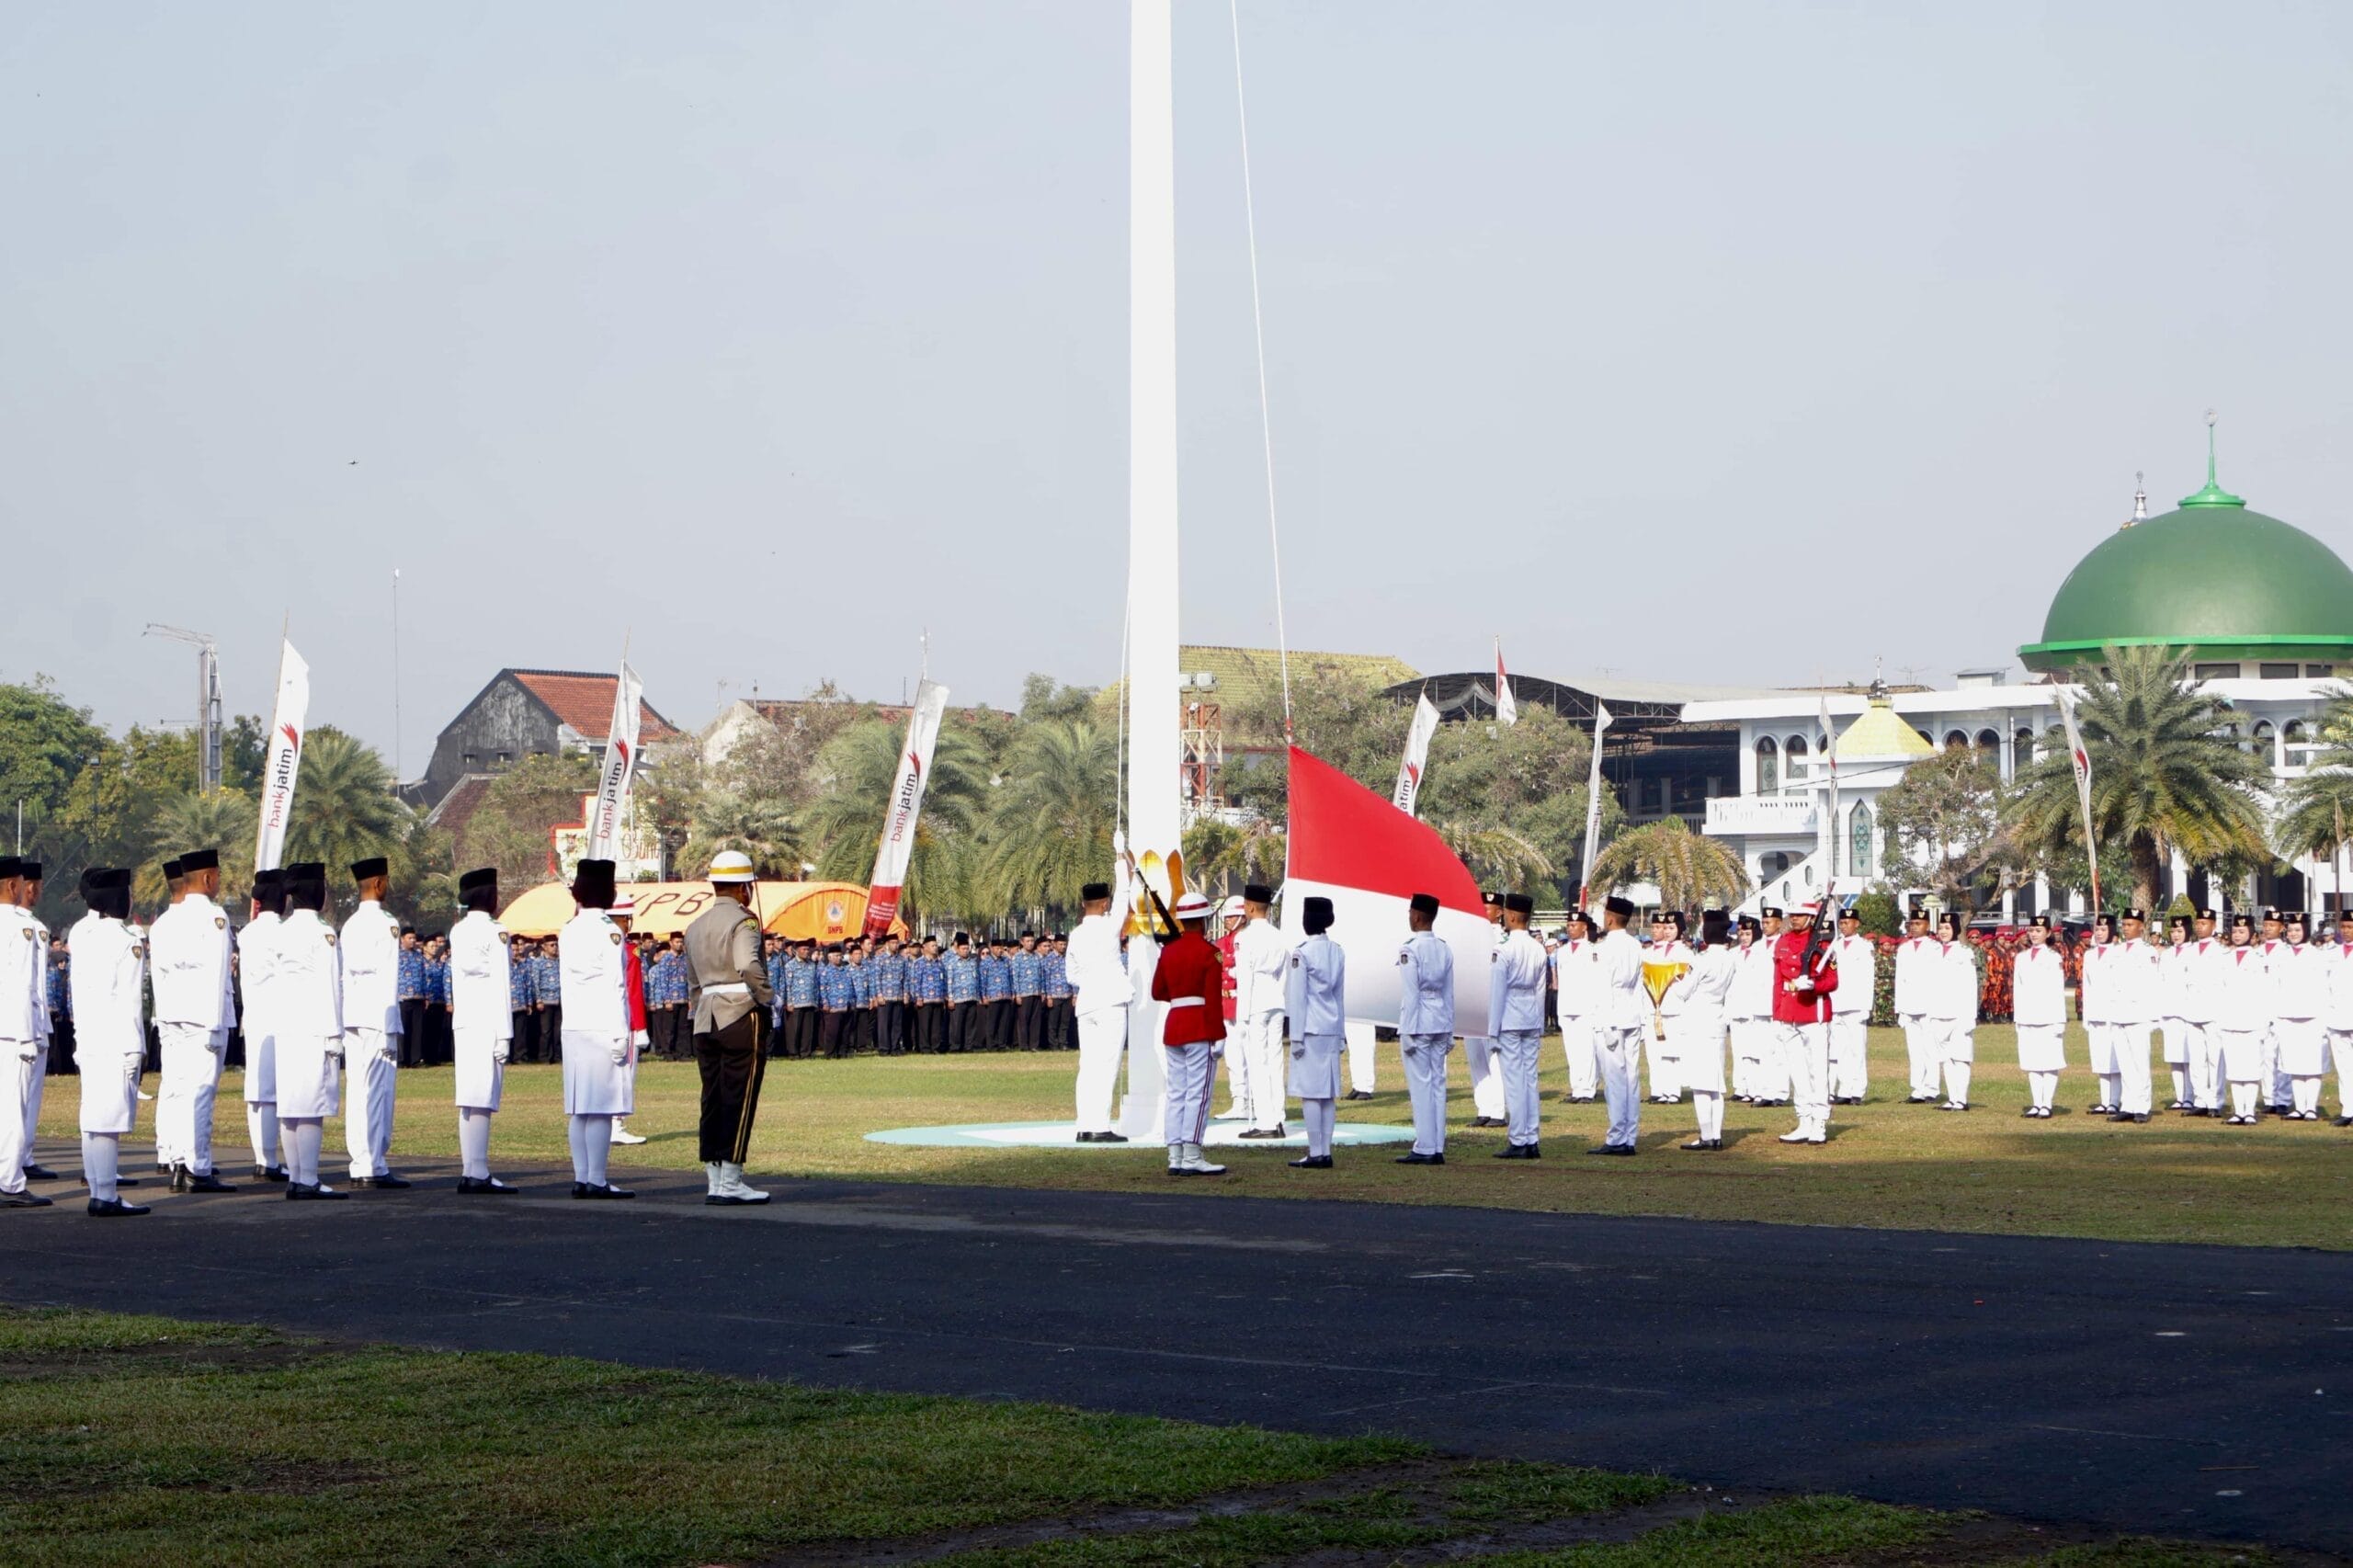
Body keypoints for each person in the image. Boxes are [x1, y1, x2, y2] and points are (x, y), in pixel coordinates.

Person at [685, 851, 775, 1204]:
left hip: (706, 1016)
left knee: (713, 1097)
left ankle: (715, 1179)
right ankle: (733, 1179)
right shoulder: (744, 922)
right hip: (740, 1011)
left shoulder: (695, 926)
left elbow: (693, 983)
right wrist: (766, 995)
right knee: (740, 1095)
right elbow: (747, 964)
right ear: (742, 888)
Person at [149, 846, 240, 1194]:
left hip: (173, 1016)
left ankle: (177, 1159)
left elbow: (159, 975)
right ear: (207, 878)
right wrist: (216, 1024)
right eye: (216, 877)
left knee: (177, 1089)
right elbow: (218, 973)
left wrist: (164, 1017)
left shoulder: (165, 920)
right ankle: (197, 1168)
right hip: (204, 1017)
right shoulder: (213, 917)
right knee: (201, 1093)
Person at [68, 869, 147, 1215]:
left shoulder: (83, 934)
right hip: (117, 1038)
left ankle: (100, 1189)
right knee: (109, 1121)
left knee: (94, 1119)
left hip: (89, 1036)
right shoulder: (125, 939)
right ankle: (106, 1194)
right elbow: (130, 999)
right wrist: (136, 1046)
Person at [558, 858, 634, 1199]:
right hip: (603, 1024)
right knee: (602, 1106)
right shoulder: (609, 930)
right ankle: (597, 1179)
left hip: (574, 1025)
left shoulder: (568, 929)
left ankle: (581, 1176)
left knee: (580, 1106)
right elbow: (616, 985)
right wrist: (622, 1031)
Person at [273, 863, 347, 1199]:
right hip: (315, 1027)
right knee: (313, 1106)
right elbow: (330, 985)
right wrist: (334, 1033)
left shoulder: (282, 930)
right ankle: (309, 1178)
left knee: (290, 1106)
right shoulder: (323, 932)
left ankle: (296, 1176)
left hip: (286, 1026)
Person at [338, 857, 409, 1189]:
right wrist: (389, 1023)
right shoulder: (386, 923)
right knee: (379, 1091)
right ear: (379, 884)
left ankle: (359, 1160)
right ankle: (374, 1163)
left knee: (357, 1089)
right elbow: (388, 978)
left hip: (354, 1015)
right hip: (377, 1016)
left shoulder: (350, 924)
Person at [447, 867, 517, 1193]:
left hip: (465, 1020)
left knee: (469, 1098)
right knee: (483, 1098)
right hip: (489, 1020)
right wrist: (505, 1033)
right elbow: (501, 985)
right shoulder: (495, 931)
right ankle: (478, 1171)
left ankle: (471, 1167)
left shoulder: (458, 931)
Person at [1150, 890, 1227, 1176]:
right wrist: (1219, 1034)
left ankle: (1175, 1155)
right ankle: (1192, 1154)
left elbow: (1158, 991)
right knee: (1199, 1092)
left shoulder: (1168, 951)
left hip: (1175, 1025)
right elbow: (1213, 998)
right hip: (1200, 1026)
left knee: (1177, 1093)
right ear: (1203, 921)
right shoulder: (1211, 953)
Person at [0, 856, 53, 1206]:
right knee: (13, 1108)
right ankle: (10, 1181)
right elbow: (24, 985)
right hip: (13, 1029)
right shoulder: (21, 926)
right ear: (12, 886)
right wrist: (28, 1034)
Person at [1281, 896, 1347, 1169]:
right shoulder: (1337, 951)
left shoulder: (1303, 953)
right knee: (1327, 1093)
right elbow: (1340, 995)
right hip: (1331, 1026)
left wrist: (1295, 1035)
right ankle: (1325, 1151)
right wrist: (1341, 1033)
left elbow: (1297, 998)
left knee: (1311, 1093)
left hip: (1309, 1028)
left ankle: (1316, 1151)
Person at [1066, 882, 1130, 1142]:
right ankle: (1100, 1126)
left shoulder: (1076, 934)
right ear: (1105, 904)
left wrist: (1090, 979)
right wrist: (1119, 859)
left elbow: (1072, 975)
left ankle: (1084, 1124)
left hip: (1088, 1002)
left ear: (1083, 904)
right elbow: (1125, 896)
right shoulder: (1109, 925)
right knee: (1106, 1064)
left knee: (1088, 1065)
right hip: (1110, 1001)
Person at [1394, 892, 1455, 1165]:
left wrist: (1406, 1030)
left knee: (1421, 1086)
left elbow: (1411, 995)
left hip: (1419, 1023)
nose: (1409, 917)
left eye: (1410, 913)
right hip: (1440, 1019)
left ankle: (1425, 1146)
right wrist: (1450, 1029)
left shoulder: (1411, 949)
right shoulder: (1444, 948)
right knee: (1438, 1085)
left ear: (1418, 916)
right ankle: (1437, 1145)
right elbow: (1450, 992)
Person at [1488, 892, 1549, 1159]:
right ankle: (1531, 1137)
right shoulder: (1537, 948)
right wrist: (1539, 1024)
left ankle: (1518, 1139)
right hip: (1530, 1017)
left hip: (1510, 1018)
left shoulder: (1504, 949)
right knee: (1530, 1080)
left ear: (1512, 916)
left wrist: (1491, 1030)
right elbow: (1540, 990)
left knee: (1514, 1082)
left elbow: (1497, 992)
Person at [237, 869, 289, 1182]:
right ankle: (268, 1160)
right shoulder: (282, 932)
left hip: (255, 1014)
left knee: (258, 1091)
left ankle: (263, 1157)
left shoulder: (249, 933)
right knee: (271, 1092)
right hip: (278, 1015)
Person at [1772, 901, 1838, 1144]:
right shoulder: (1783, 941)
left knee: (1817, 1070)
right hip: (1790, 1012)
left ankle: (1819, 1121)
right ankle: (1804, 1119)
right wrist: (1777, 1013)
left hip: (1813, 1011)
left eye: (1801, 915)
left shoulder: (1823, 944)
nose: (1795, 918)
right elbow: (1778, 981)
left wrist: (1814, 985)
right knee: (1797, 1071)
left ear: (1812, 918)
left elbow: (1832, 981)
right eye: (1793, 914)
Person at [10, 859, 59, 1186]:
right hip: (23, 1024)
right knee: (21, 1102)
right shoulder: (28, 928)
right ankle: (15, 1167)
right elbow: (31, 985)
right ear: (25, 887)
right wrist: (36, 1028)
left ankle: (19, 1159)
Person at [1229, 883, 1289, 1140]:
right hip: (1276, 998)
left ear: (1251, 907)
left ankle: (1265, 1120)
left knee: (1258, 1061)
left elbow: (1244, 976)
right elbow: (1285, 972)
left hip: (1256, 1001)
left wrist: (1242, 1015)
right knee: (1275, 1060)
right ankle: (1278, 1117)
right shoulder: (1279, 935)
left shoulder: (1245, 937)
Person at [1589, 895, 1646, 1155]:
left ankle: (1616, 1137)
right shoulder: (1636, 946)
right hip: (1631, 1015)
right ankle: (1629, 1136)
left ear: (1611, 918)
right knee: (1631, 1077)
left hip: (1610, 1016)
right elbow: (1638, 986)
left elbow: (1602, 989)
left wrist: (1605, 1023)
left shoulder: (1603, 948)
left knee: (1614, 1079)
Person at [1677, 910, 1738, 1151]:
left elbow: (1684, 992)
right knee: (1716, 1083)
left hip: (1698, 1020)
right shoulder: (1730, 959)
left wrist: (1675, 981)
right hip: (1717, 1018)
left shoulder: (1701, 960)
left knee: (1701, 1084)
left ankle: (1706, 1135)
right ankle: (1717, 1134)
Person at [2268, 911, 2327, 1119]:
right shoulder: (2281, 954)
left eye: (2298, 930)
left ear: (2306, 931)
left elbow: (2323, 988)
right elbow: (2274, 986)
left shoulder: (2317, 955)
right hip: (2286, 1016)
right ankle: (2299, 1107)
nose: (2293, 933)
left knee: (2311, 1065)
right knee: (2293, 1064)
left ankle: (2310, 1107)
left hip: (2311, 1016)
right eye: (2291, 930)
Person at [2214, 913, 2269, 1124]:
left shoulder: (2259, 959)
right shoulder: (2224, 958)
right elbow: (2219, 990)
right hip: (2230, 1020)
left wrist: (2264, 1022)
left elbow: (2265, 993)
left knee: (2252, 1067)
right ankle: (2239, 1110)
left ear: (2252, 935)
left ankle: (2250, 1111)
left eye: (2242, 932)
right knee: (2235, 1068)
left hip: (2252, 1020)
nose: (2237, 935)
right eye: (2235, 931)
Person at [2107, 909, 2161, 1124]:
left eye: (2130, 924)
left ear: (2141, 927)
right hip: (2119, 1013)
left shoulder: (2148, 952)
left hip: (2139, 1015)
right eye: (2124, 924)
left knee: (2140, 1063)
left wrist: (2153, 1017)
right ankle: (2128, 1105)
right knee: (2125, 1064)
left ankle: (2143, 1106)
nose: (2126, 928)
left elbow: (2153, 985)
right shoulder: (2116, 951)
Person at [607, 895, 652, 1146]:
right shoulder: (628, 951)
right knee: (625, 1074)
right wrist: (641, 1025)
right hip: (627, 1021)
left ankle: (609, 1123)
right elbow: (633, 991)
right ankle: (617, 1124)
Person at [2012, 915, 2067, 1117]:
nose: (2034, 934)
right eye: (2032, 931)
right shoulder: (2021, 957)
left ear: (2048, 933)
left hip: (2048, 1017)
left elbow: (2056, 990)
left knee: (2049, 1061)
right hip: (2027, 1016)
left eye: (2038, 931)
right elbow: (2017, 989)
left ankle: (2047, 1104)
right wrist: (2017, 1017)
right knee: (2032, 1063)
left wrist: (2059, 1021)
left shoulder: (2054, 958)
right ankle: (2036, 1103)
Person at [1462, 892, 1507, 1129]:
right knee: (1475, 1059)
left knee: (1494, 1060)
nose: (1483, 911)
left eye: (1488, 908)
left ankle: (1498, 1112)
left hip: (1492, 1006)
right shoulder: (1472, 936)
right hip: (1473, 1004)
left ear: (1499, 912)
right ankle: (1484, 1108)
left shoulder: (1503, 940)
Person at [2177, 907, 2226, 1116]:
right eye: (2197, 923)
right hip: (2192, 1010)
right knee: (2196, 1059)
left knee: (2215, 1059)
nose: (2199, 927)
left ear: (2213, 926)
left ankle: (2215, 1101)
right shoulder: (2189, 951)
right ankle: (2200, 1099)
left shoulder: (2222, 952)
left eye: (2204, 923)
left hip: (2214, 1011)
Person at [1931, 911, 1979, 1112]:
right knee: (1946, 1059)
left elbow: (1970, 986)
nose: (1943, 931)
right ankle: (1952, 1097)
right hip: (1938, 1013)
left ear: (1956, 930)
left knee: (1961, 1057)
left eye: (1948, 928)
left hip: (1959, 1013)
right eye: (1941, 927)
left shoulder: (1964, 953)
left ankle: (1962, 1099)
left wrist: (1970, 1017)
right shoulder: (1933, 953)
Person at [1552, 910, 1602, 1103]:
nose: (1570, 928)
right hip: (1566, 1006)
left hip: (1585, 1006)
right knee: (1572, 1051)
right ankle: (1576, 1088)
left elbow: (1596, 981)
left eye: (1574, 925)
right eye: (1569, 925)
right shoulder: (1562, 951)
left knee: (1586, 1050)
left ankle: (1587, 1090)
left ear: (1583, 927)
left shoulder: (1592, 951)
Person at [1892, 908, 1940, 1103]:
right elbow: (1900, 979)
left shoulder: (1935, 948)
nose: (1915, 927)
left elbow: (1938, 980)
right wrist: (1900, 1009)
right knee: (1914, 1050)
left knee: (1931, 1049)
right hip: (1909, 1005)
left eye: (1919, 923)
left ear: (1928, 926)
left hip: (1928, 1005)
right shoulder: (1904, 949)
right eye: (1912, 924)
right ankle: (1917, 1088)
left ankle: (1931, 1089)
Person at [1643, 910, 1691, 1105]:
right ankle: (1661, 1089)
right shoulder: (1651, 952)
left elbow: (1684, 980)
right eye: (1665, 927)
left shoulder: (1684, 952)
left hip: (1674, 1006)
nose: (1667, 931)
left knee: (1673, 1051)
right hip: (1654, 1007)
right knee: (1657, 1052)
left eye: (1671, 927)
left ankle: (1673, 1091)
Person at [1829, 907, 1874, 1105]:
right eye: (1841, 922)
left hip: (1856, 1004)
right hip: (1837, 1003)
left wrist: (1866, 1006)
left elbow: (1868, 977)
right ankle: (1845, 1089)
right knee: (1841, 1050)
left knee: (1857, 1049)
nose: (1844, 925)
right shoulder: (1835, 946)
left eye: (1848, 922)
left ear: (1857, 924)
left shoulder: (1864, 946)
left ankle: (1858, 1090)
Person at [1726, 915, 1773, 1105]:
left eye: (1747, 933)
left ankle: (1758, 1088)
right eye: (1740, 933)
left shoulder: (1762, 952)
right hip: (1737, 1007)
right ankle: (1741, 1087)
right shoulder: (1734, 953)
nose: (1743, 937)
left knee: (1756, 1052)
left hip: (1755, 1007)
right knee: (1740, 1052)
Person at [2077, 915, 2120, 1115]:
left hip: (2113, 1013)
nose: (2099, 933)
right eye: (2097, 930)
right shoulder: (2090, 955)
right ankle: (2104, 1100)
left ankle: (2116, 1100)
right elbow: (2087, 985)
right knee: (2101, 1060)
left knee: (2115, 1061)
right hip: (2095, 1012)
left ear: (2111, 932)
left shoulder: (2119, 954)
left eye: (2103, 930)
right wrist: (2086, 1015)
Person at [2159, 914, 2195, 1110]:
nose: (2176, 935)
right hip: (2170, 1011)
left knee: (2188, 1058)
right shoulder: (2166, 954)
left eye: (2180, 931)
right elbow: (2160, 983)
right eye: (2173, 931)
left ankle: (2190, 1095)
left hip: (2187, 1012)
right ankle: (2180, 1096)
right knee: (2174, 1058)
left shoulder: (2193, 952)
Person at [648, 932, 689, 1062]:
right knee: (669, 1028)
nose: (679, 944)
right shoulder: (666, 959)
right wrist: (666, 1000)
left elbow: (688, 979)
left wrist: (689, 998)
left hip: (683, 997)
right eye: (677, 942)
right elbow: (663, 980)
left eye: (681, 942)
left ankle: (682, 1053)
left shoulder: (684, 958)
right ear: (671, 942)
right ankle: (667, 1052)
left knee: (683, 1028)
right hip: (670, 998)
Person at [395, 927, 428, 1068]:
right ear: (402, 939)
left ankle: (415, 1059)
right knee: (403, 1029)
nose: (413, 941)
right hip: (402, 998)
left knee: (417, 1030)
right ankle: (402, 1059)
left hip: (418, 997)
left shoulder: (419, 956)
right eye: (410, 938)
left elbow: (424, 976)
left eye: (414, 938)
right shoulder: (396, 956)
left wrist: (426, 996)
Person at [910, 937, 948, 1054]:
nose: (935, 947)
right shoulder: (919, 963)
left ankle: (935, 1047)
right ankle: (925, 1047)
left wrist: (945, 996)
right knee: (924, 1025)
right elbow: (916, 981)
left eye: (936, 945)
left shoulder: (940, 963)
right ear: (925, 947)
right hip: (925, 999)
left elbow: (944, 980)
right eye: (932, 945)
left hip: (938, 999)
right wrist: (918, 997)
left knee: (936, 1026)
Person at [873, 935, 909, 1056]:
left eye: (897, 943)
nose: (895, 945)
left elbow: (906, 978)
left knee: (896, 1024)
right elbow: (876, 978)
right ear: (887, 944)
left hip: (898, 995)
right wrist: (879, 994)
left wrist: (905, 994)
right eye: (893, 943)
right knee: (884, 1024)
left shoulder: (902, 960)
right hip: (885, 996)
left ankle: (895, 1047)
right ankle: (884, 1048)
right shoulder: (880, 959)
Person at [944, 934, 979, 1051]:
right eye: (963, 949)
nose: (965, 951)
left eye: (967, 948)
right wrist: (950, 998)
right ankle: (955, 1046)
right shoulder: (952, 962)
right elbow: (949, 981)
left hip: (972, 997)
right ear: (958, 949)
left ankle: (968, 1046)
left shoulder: (973, 962)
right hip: (958, 998)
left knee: (971, 1024)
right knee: (956, 1025)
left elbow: (976, 979)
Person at [1043, 934, 1074, 1051]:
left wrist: (1074, 994)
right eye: (1060, 944)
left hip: (1067, 993)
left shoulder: (1069, 958)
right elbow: (1046, 978)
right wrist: (1049, 996)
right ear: (1054, 944)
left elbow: (1073, 975)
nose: (1063, 947)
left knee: (1065, 1022)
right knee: (1053, 1022)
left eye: (1065, 944)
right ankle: (1053, 1044)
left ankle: (1063, 1043)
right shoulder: (1049, 959)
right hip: (1054, 995)